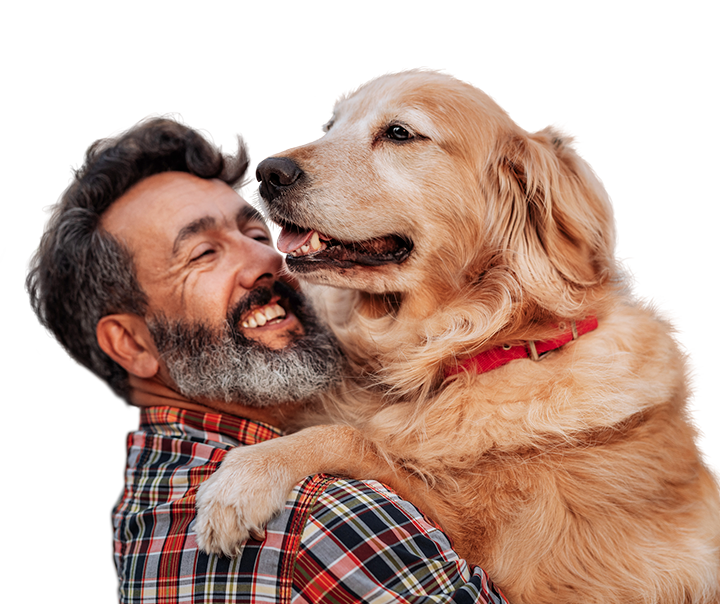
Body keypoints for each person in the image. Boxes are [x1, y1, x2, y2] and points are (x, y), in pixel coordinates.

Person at [27, 117, 508, 604]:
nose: (270, 261)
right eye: (203, 254)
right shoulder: (324, 520)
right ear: (130, 344)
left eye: (257, 234)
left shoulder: (148, 507)